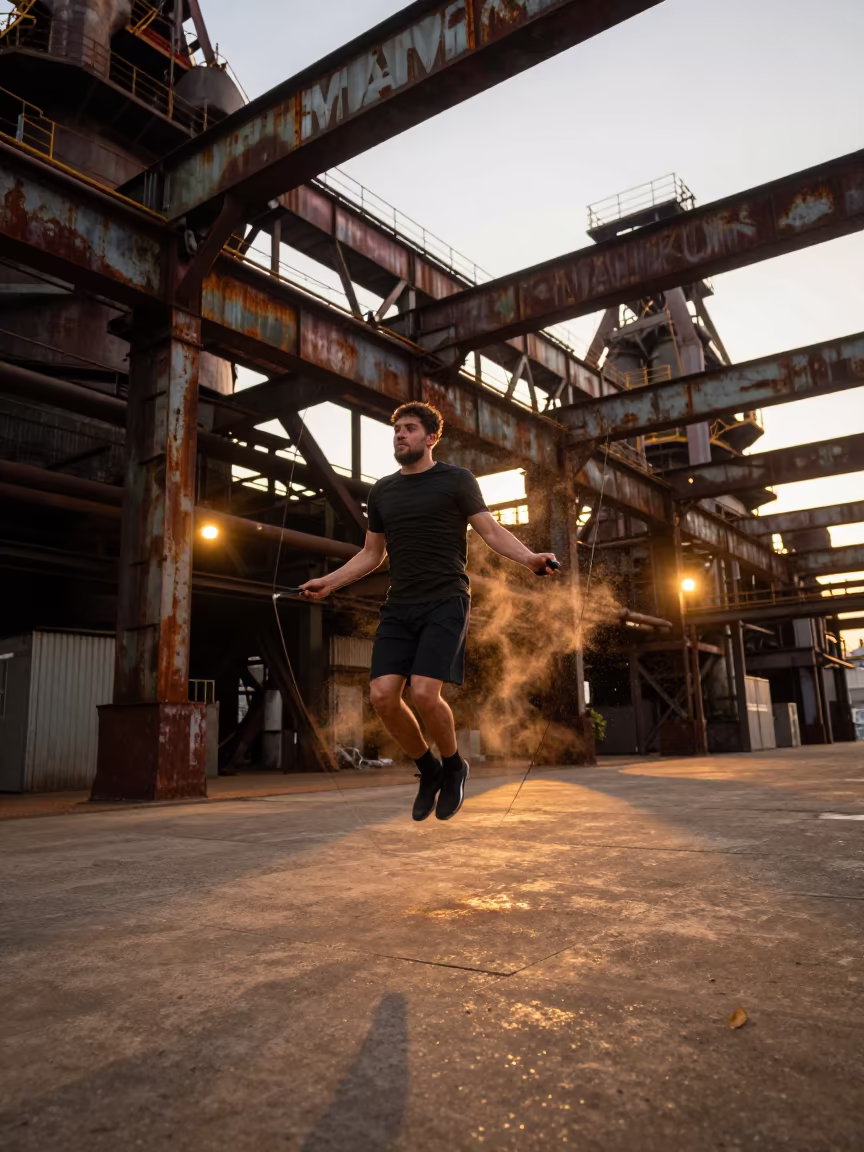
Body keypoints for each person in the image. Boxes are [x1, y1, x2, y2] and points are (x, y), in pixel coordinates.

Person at [298, 402, 559, 822]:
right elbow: (371, 555)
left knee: (422, 692)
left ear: (430, 438)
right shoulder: (382, 491)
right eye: (397, 429)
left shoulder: (456, 480)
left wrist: (529, 559)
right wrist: (329, 582)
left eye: (410, 429)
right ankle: (429, 769)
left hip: (445, 599)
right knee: (382, 696)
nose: (400, 435)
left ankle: (455, 764)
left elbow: (489, 530)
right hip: (399, 605)